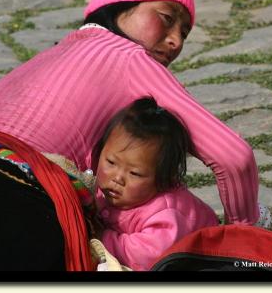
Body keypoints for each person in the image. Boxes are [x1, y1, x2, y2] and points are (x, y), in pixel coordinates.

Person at [0, 0, 260, 226]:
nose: (176, 41)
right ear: (120, 4)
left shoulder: (53, 54)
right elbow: (234, 157)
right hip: (12, 193)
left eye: (184, 32)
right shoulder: (132, 60)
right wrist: (247, 231)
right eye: (166, 18)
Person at [93, 97, 219, 271]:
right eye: (111, 162)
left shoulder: (164, 214)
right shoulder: (103, 190)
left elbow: (146, 256)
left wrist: (102, 239)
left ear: (163, 180)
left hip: (203, 259)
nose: (118, 178)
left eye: (134, 173)